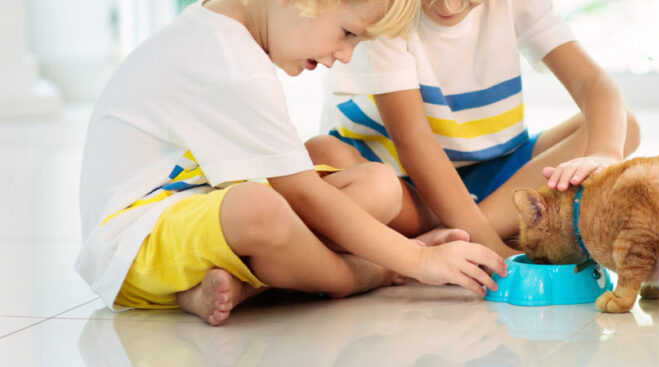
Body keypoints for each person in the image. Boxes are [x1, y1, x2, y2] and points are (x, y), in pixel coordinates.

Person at [77, 0, 506, 327]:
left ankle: (241, 286)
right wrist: (414, 261)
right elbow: (298, 192)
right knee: (260, 207)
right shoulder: (230, 61)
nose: (345, 55)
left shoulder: (226, 31)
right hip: (133, 242)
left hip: (201, 211)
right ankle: (358, 275)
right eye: (347, 33)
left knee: (371, 179)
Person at [306, 0, 641, 257]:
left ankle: (441, 238)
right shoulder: (387, 11)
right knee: (328, 155)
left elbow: (591, 81)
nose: (449, 6)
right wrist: (493, 249)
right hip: (407, 186)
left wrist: (603, 154)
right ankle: (482, 230)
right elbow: (414, 144)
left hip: (495, 172)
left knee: (623, 126)